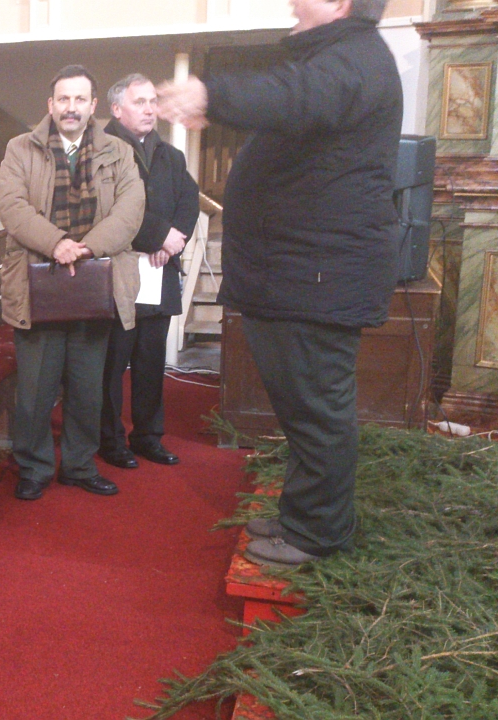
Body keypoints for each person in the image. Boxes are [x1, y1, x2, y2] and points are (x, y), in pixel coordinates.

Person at [159, 0, 401, 568]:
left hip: (317, 275)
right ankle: (304, 515)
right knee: (301, 408)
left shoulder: (353, 58)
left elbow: (291, 95)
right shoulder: (342, 55)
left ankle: (316, 533)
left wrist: (211, 93)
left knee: (316, 410)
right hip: (301, 272)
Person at [0, 64, 145, 501]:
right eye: (63, 99)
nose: (71, 107)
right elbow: (12, 205)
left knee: (87, 388)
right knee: (35, 392)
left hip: (93, 284)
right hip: (37, 283)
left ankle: (79, 466)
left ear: (94, 105)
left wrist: (88, 247)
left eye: (80, 99)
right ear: (51, 104)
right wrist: (56, 242)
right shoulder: (20, 148)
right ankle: (34, 466)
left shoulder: (119, 151)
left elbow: (131, 208)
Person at [98, 74, 199, 470]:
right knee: (111, 363)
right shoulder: (101, 150)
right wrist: (158, 236)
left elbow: (189, 200)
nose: (150, 109)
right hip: (118, 270)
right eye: (139, 102)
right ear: (116, 109)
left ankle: (148, 436)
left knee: (151, 361)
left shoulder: (170, 155)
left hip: (160, 271)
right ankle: (110, 439)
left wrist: (174, 241)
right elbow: (111, 208)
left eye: (153, 101)